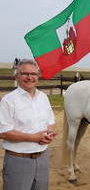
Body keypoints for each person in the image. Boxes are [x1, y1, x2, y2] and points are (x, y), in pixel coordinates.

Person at [0, 59, 57, 190]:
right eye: (25, 73)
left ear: (38, 77)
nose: (30, 77)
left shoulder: (43, 97)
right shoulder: (9, 100)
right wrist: (35, 138)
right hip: (19, 160)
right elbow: (2, 132)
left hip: (43, 159)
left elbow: (50, 121)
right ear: (17, 76)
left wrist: (48, 134)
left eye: (33, 74)